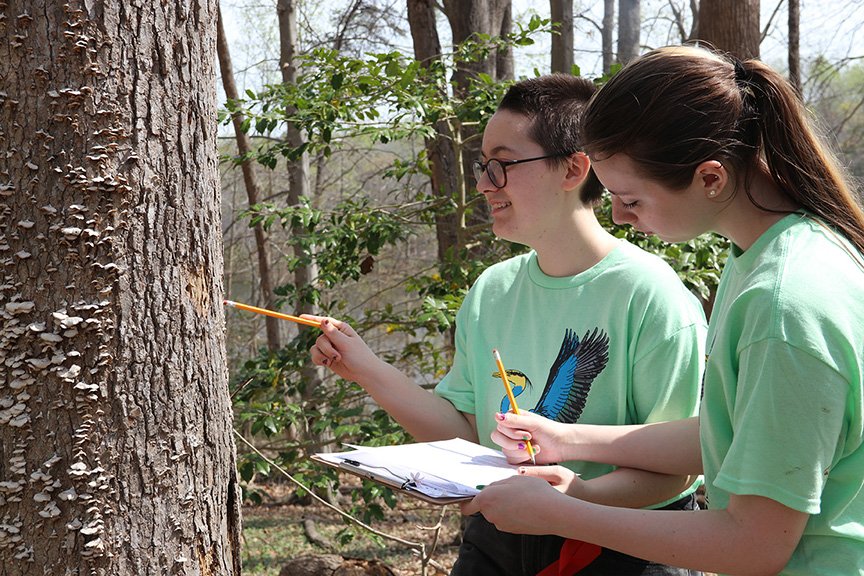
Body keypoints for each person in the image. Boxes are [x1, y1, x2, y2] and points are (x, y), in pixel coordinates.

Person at [464, 45, 864, 576]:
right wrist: (568, 439)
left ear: (710, 178)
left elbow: (752, 545)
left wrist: (565, 513)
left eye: (631, 197)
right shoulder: (771, 254)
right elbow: (736, 433)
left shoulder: (784, 304)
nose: (619, 216)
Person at [306, 73, 707, 576]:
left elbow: (679, 466)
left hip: (629, 546)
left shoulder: (650, 294)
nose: (482, 182)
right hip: (502, 538)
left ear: (573, 169)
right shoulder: (492, 291)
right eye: (482, 165)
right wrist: (365, 368)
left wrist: (574, 499)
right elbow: (468, 435)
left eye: (502, 165)